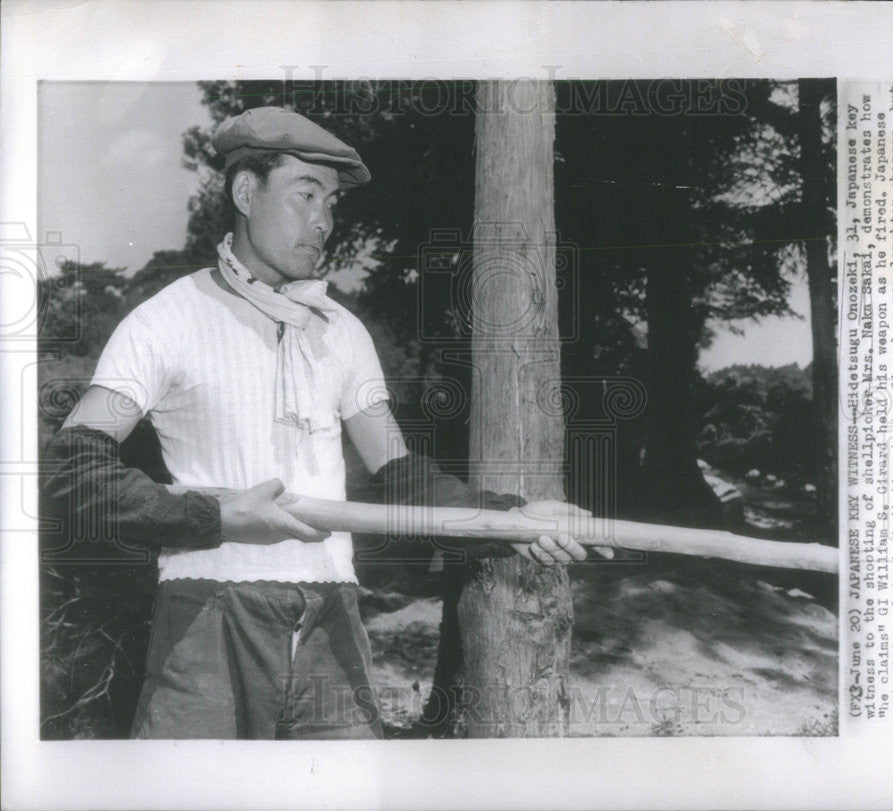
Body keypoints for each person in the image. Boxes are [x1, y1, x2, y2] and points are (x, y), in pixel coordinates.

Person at [42, 106, 603, 740]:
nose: (323, 221)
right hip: (208, 615)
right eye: (305, 194)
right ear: (246, 192)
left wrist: (511, 518)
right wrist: (216, 518)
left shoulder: (343, 333)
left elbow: (402, 478)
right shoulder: (163, 321)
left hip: (333, 619)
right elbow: (67, 475)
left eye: (332, 202)